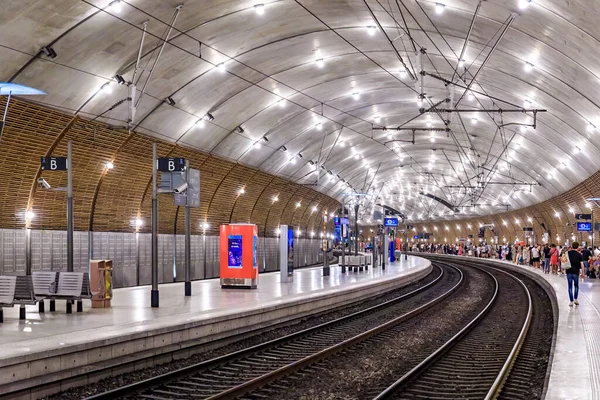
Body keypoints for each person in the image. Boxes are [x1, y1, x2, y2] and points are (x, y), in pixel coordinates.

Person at [563, 242, 584, 306]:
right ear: (577, 247)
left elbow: (563, 261)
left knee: (570, 286)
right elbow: (582, 264)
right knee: (576, 286)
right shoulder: (579, 254)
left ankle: (571, 301)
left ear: (572, 246)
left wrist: (563, 270)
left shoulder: (567, 253)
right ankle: (575, 299)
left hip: (569, 271)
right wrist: (583, 273)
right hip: (576, 272)